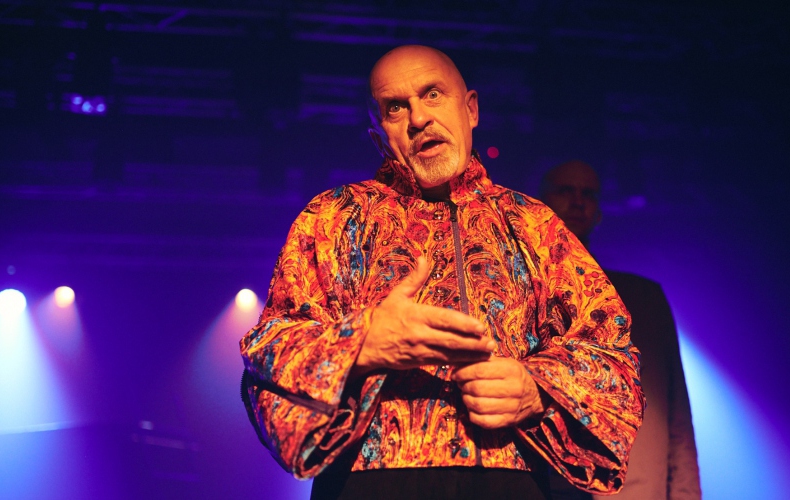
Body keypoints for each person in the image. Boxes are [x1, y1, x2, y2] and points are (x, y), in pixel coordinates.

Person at [239, 46, 644, 500]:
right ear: (377, 135)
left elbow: (614, 357)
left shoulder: (535, 225)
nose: (418, 118)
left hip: (510, 481)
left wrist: (538, 390)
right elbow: (267, 355)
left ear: (470, 110)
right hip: (368, 483)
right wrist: (359, 344)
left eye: (432, 94)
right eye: (396, 108)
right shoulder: (332, 220)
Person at [540, 160, 701, 500]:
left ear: (599, 211)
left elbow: (678, 420)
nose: (577, 201)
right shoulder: (519, 293)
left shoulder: (644, 299)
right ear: (540, 203)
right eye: (565, 190)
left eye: (588, 194)